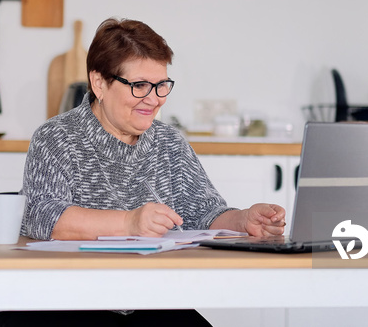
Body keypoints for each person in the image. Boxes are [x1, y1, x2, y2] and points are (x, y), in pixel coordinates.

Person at [15, 17, 286, 326]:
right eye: (140, 85)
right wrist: (131, 222)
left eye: (161, 86)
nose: (154, 99)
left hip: (155, 299)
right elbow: (42, 216)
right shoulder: (57, 137)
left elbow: (205, 212)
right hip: (72, 303)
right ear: (99, 83)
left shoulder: (169, 142)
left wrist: (244, 220)